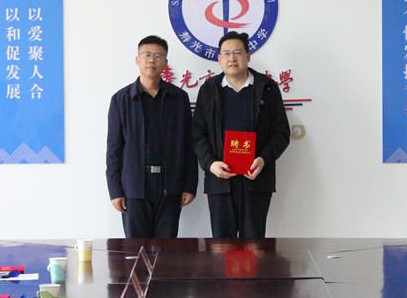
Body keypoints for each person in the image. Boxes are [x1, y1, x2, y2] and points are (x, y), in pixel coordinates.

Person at [192, 31, 290, 239]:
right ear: (219, 59)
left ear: (248, 56)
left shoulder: (267, 88)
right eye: (226, 53)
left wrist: (263, 159)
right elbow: (197, 134)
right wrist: (210, 164)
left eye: (237, 52)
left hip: (256, 180)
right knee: (222, 247)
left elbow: (281, 133)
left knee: (254, 246)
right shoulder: (209, 90)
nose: (232, 58)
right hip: (220, 182)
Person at [106, 35, 198, 238]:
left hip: (171, 185)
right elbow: (114, 149)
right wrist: (115, 190)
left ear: (165, 62)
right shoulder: (121, 100)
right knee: (136, 250)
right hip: (134, 187)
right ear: (137, 60)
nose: (151, 60)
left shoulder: (179, 98)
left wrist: (190, 185)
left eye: (158, 55)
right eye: (146, 54)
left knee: (168, 250)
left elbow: (189, 145)